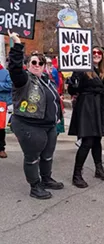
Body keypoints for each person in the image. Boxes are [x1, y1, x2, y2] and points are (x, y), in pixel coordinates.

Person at [8, 31, 63, 199]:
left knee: (47, 155)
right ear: (28, 64)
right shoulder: (23, 79)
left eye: (41, 62)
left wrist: (58, 115)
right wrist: (17, 44)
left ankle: (46, 179)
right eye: (34, 62)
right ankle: (35, 186)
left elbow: (53, 100)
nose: (37, 65)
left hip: (48, 126)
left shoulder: (47, 80)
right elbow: (15, 68)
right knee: (32, 157)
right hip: (29, 125)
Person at [68, 46, 104, 188]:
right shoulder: (81, 70)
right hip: (87, 108)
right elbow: (72, 90)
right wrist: (73, 81)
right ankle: (77, 174)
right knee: (87, 141)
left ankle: (98, 169)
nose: (96, 55)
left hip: (100, 108)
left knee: (97, 140)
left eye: (99, 53)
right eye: (93, 52)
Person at [0, 62, 12, 158]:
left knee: (0, 127)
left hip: (2, 103)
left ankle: (1, 149)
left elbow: (10, 85)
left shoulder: (5, 72)